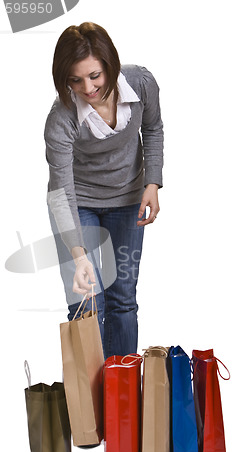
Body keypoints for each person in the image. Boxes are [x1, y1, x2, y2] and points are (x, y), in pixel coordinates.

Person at [44, 22, 164, 359]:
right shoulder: (61, 119)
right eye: (75, 80)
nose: (88, 87)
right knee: (87, 300)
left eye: (95, 75)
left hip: (127, 200)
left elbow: (153, 127)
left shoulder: (141, 83)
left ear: (109, 63)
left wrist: (152, 181)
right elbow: (61, 192)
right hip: (77, 203)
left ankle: (122, 394)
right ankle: (90, 405)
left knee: (123, 297)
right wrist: (78, 255)